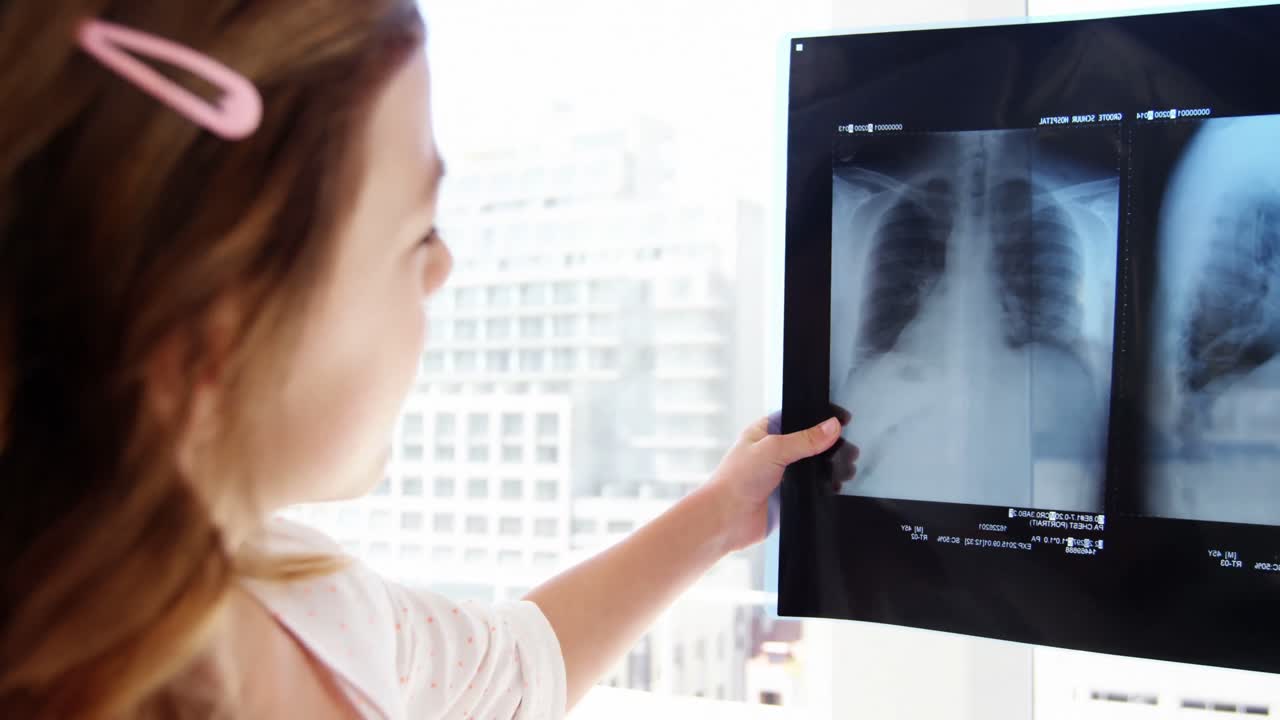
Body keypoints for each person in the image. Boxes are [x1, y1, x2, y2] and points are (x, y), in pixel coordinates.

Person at [0, 2, 852, 717]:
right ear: (211, 328)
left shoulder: (314, 602)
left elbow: (518, 668)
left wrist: (721, 515)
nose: (443, 269)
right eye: (419, 232)